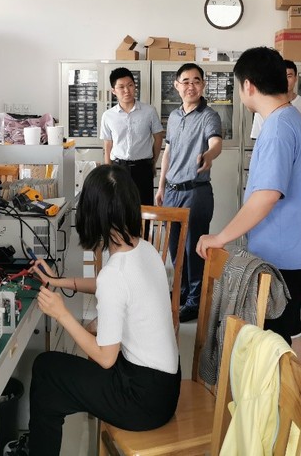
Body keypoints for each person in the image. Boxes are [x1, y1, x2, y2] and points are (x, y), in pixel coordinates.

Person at [22, 165, 180, 456]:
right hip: (166, 388)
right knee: (80, 349)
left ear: (93, 215)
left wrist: (62, 314)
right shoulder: (144, 249)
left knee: (46, 370)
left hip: (142, 401)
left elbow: (106, 358)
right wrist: (61, 281)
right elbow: (115, 288)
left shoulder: (115, 274)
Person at [196, 46, 301, 366]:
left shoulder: (278, 127)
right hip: (296, 250)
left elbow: (266, 195)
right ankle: (299, 396)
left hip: (285, 255)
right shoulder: (289, 118)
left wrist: (220, 237)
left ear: (248, 85)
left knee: (279, 341)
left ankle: (292, 396)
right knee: (291, 331)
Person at [155, 63, 222, 323]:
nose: (191, 86)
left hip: (196, 192)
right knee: (175, 248)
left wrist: (209, 155)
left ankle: (195, 301)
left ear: (203, 85)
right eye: (186, 81)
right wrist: (161, 186)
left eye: (196, 81)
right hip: (172, 192)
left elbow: (216, 144)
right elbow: (168, 152)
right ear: (176, 85)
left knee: (194, 250)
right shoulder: (173, 116)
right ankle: (181, 292)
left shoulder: (209, 116)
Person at [100, 67, 163, 206]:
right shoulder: (108, 116)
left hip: (143, 168)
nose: (127, 90)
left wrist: (153, 162)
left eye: (130, 85)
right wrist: (108, 171)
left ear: (135, 86)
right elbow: (108, 144)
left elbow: (158, 137)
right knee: (118, 208)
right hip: (118, 168)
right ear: (113, 91)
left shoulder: (149, 111)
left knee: (144, 209)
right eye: (121, 87)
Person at [250, 59, 301, 138]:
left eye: (289, 76)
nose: (285, 80)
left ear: (295, 78)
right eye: (281, 76)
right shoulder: (263, 105)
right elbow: (258, 137)